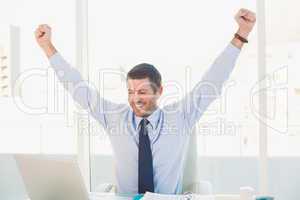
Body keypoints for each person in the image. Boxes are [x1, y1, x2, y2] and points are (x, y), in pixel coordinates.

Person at [35, 8, 256, 195]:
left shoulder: (181, 116)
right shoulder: (114, 116)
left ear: (159, 90)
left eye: (142, 92)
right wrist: (47, 47)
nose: (135, 99)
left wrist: (241, 34)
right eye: (130, 91)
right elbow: (77, 87)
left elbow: (214, 79)